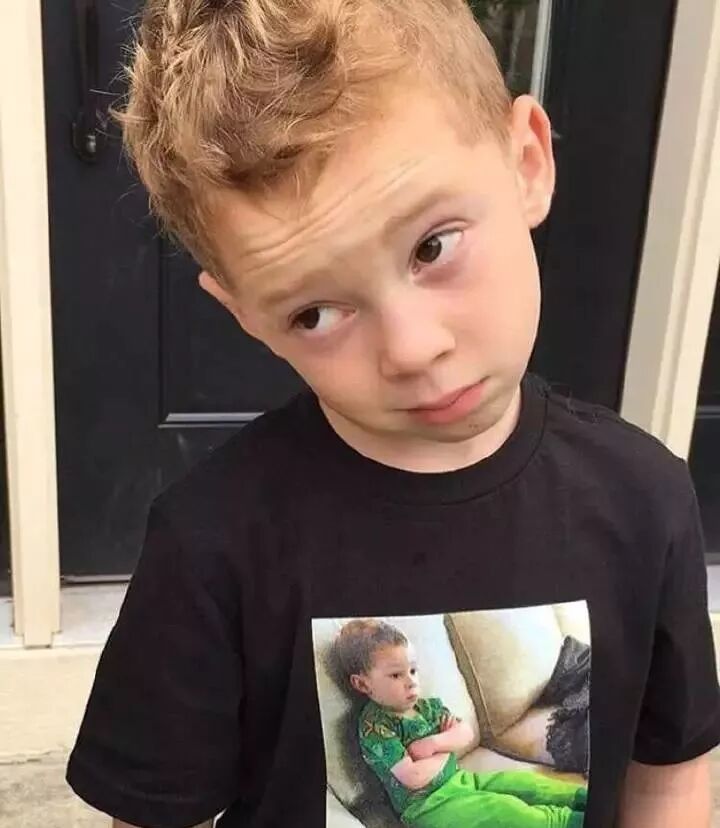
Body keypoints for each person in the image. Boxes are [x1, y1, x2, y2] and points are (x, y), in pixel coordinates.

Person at [65, 1, 720, 827]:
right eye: (314, 313)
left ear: (527, 162)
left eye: (432, 246)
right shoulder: (212, 544)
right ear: (244, 314)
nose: (410, 349)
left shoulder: (645, 496)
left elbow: (670, 771)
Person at [336, 619, 587, 827]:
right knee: (502, 810)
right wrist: (448, 745)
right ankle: (569, 822)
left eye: (412, 671)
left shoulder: (426, 706)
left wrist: (434, 744)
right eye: (395, 675)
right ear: (362, 684)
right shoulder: (375, 726)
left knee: (523, 783)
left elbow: (465, 733)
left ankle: (585, 799)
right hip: (429, 807)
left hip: (461, 779)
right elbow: (413, 776)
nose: (411, 682)